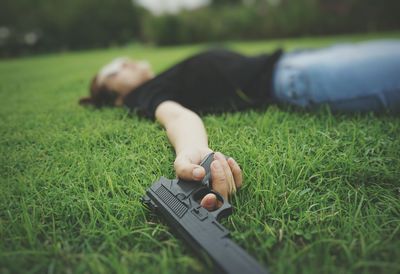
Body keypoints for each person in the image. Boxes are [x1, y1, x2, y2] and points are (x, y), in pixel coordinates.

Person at [79, 40, 400, 210]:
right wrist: (193, 149)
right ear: (118, 99)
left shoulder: (154, 80)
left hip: (292, 60)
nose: (123, 62)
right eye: (113, 71)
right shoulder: (144, 95)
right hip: (294, 78)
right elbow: (176, 115)